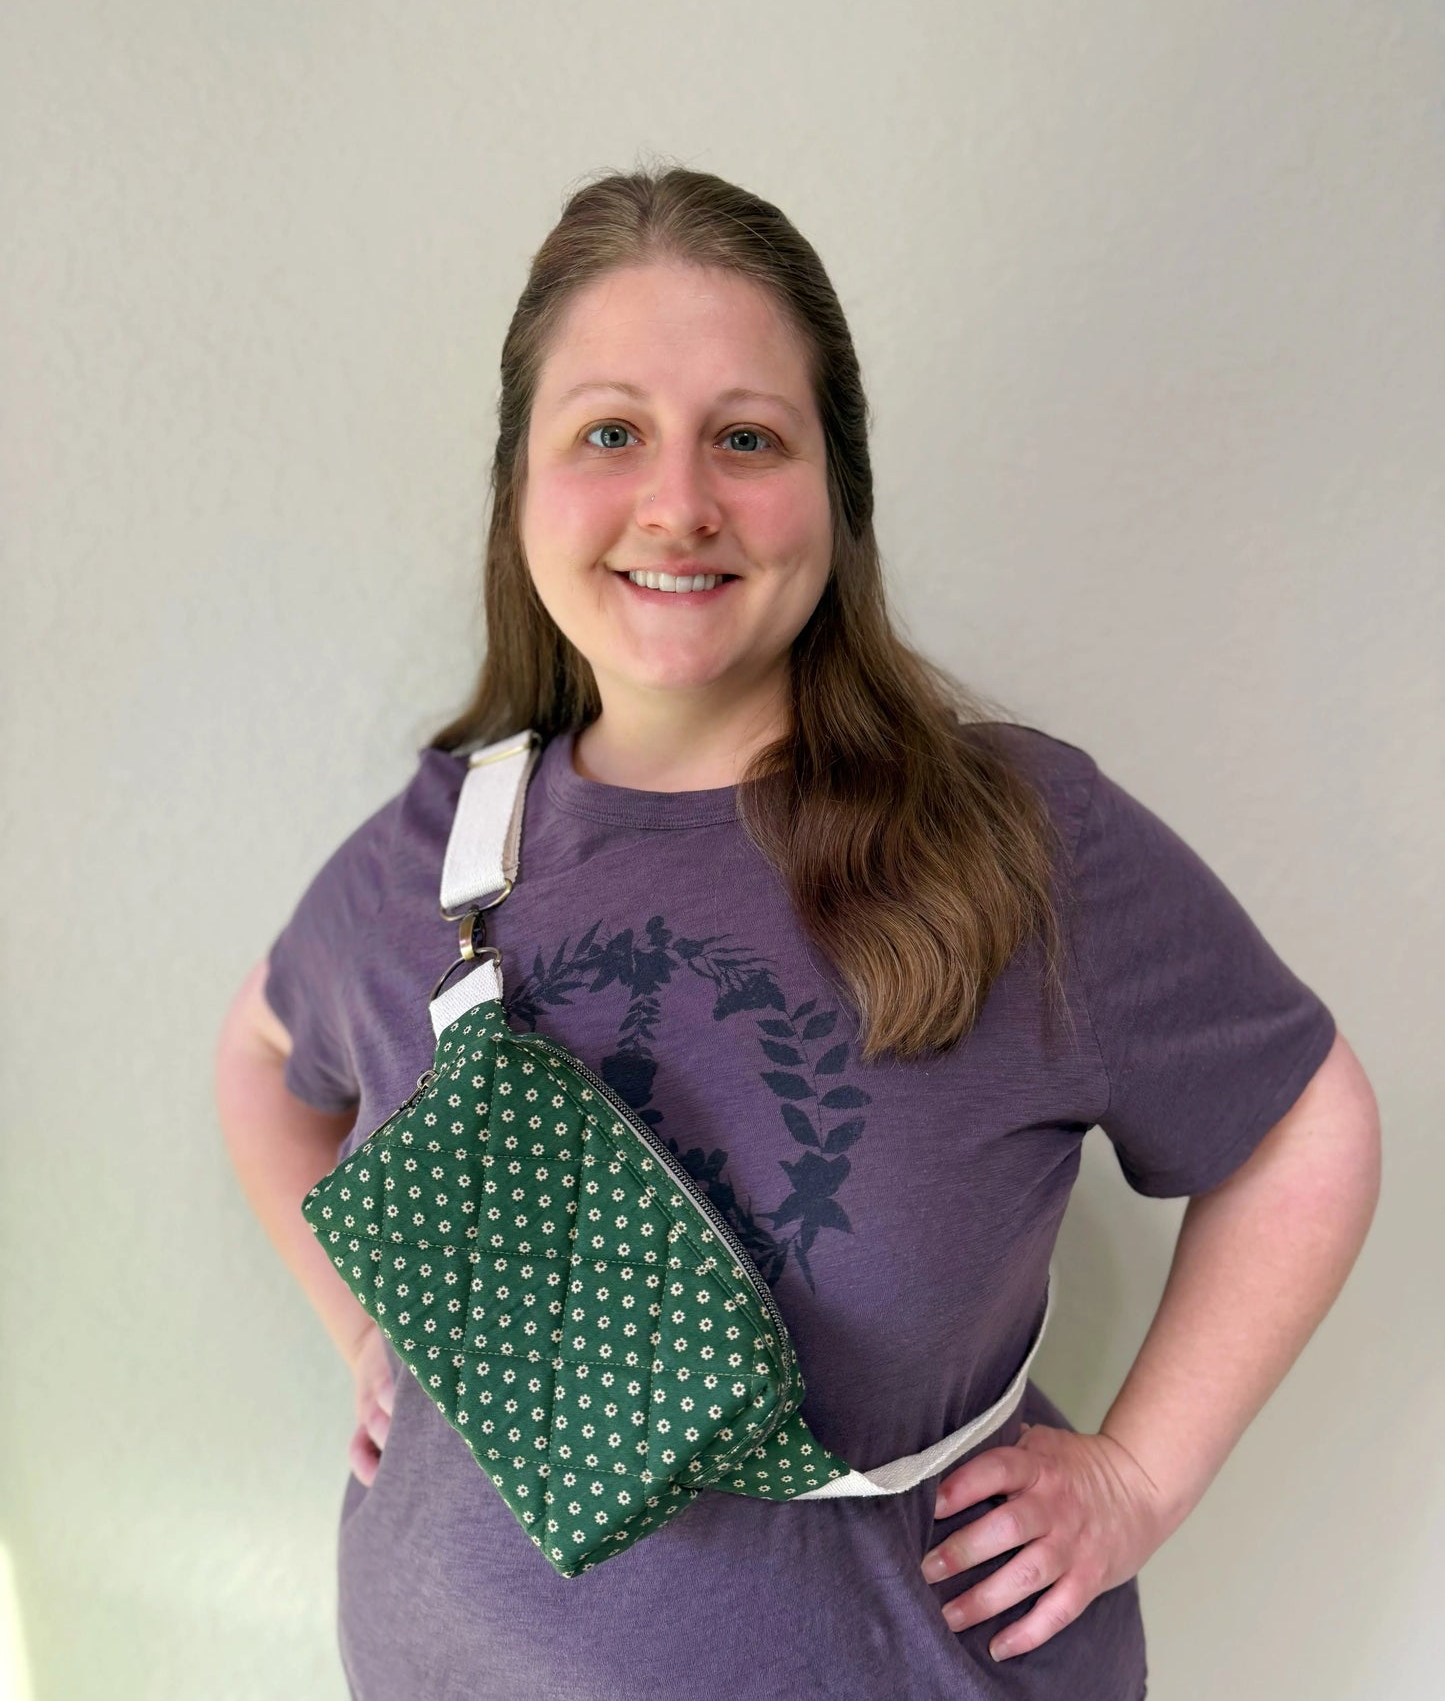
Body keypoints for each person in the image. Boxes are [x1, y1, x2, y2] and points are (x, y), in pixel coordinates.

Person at [214, 165, 1380, 1701]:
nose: (677, 501)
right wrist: (370, 1329)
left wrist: (1138, 1480)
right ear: (522, 486)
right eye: (609, 432)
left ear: (837, 490)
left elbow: (1302, 1126)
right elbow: (261, 1056)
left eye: (747, 438)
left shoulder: (1014, 844)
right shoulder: (428, 856)